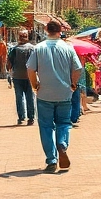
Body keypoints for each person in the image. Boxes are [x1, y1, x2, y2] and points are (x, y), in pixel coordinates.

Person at [26, 19, 82, 173]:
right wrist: (73, 83)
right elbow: (78, 69)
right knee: (64, 123)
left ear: (46, 30)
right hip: (64, 93)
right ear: (60, 31)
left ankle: (51, 160)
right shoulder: (68, 48)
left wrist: (34, 85)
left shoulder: (39, 48)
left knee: (46, 126)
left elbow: (30, 70)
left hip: (44, 93)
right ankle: (62, 144)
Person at [9, 29, 37, 125]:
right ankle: (29, 118)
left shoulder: (14, 49)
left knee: (22, 97)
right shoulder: (32, 48)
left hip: (20, 77)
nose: (22, 38)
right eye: (22, 36)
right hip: (26, 77)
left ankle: (24, 118)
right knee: (28, 98)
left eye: (22, 36)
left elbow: (9, 64)